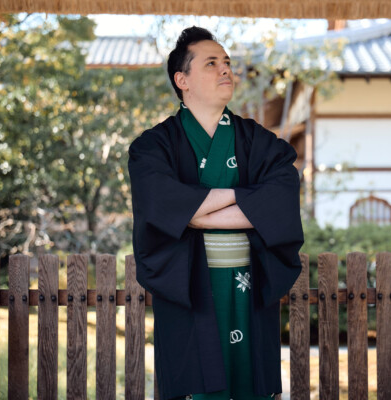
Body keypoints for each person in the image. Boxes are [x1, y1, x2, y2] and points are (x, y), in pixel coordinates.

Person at [128, 26, 303, 400]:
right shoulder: (153, 146)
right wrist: (248, 200)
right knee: (195, 385)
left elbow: (282, 201)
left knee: (250, 383)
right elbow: (160, 205)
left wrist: (194, 210)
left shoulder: (258, 141)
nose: (226, 69)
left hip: (250, 282)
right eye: (211, 63)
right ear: (182, 80)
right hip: (189, 283)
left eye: (227, 62)